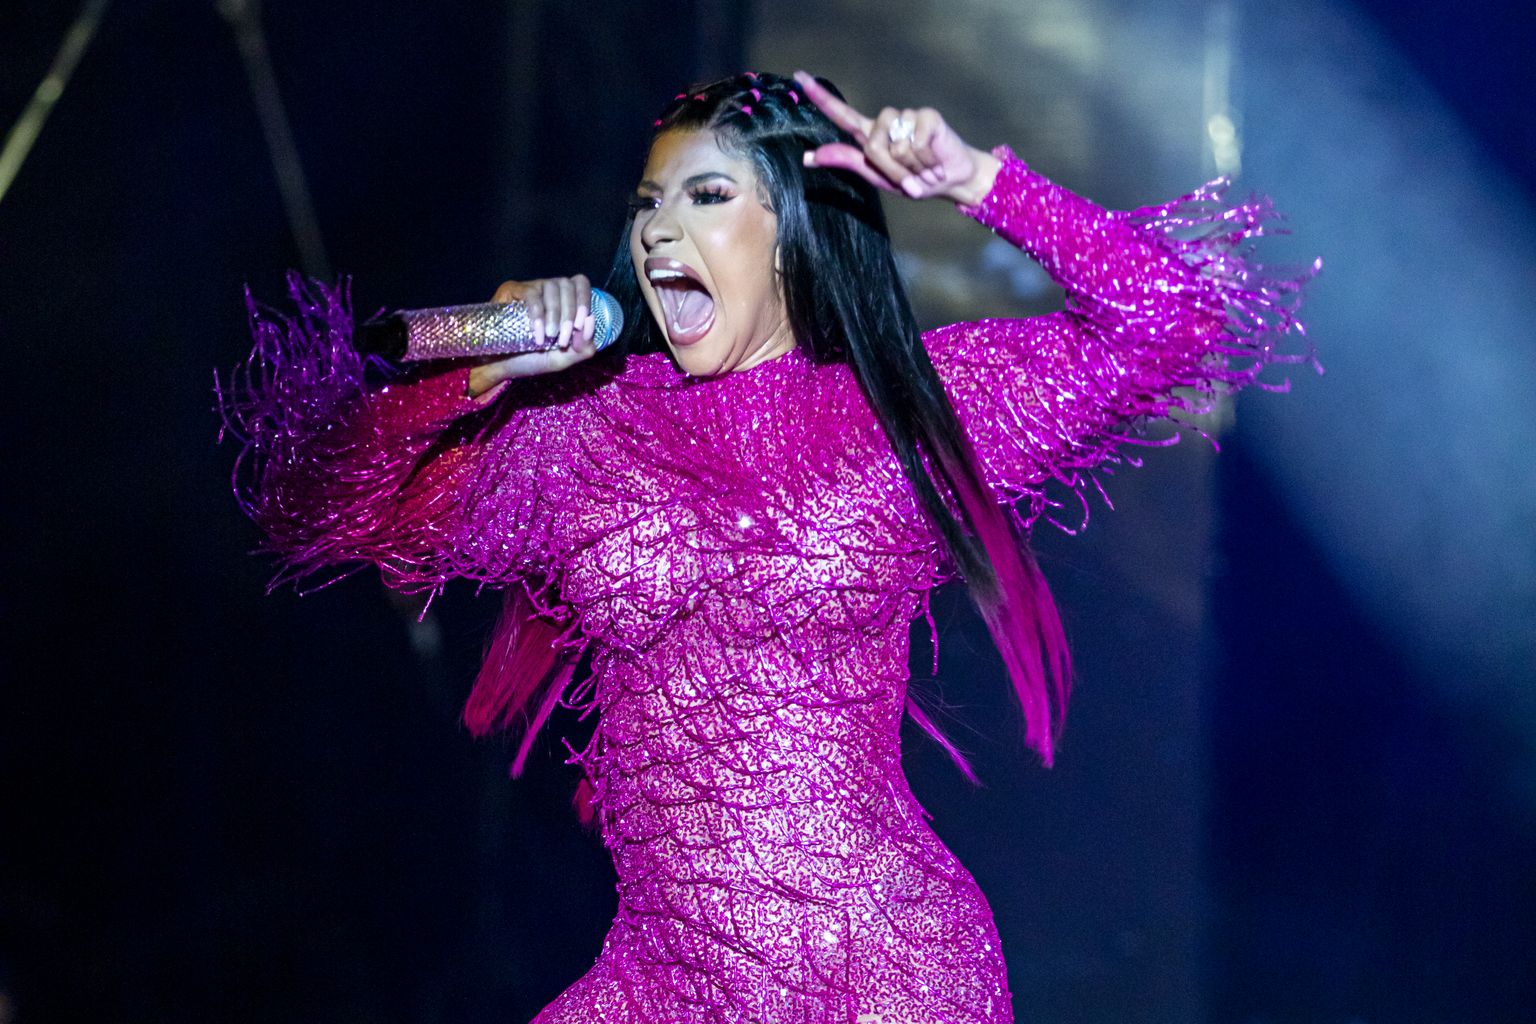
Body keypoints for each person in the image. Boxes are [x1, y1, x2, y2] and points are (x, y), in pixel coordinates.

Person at [220, 69, 1312, 1024]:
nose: (658, 230)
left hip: (884, 975)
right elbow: (312, 505)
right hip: (663, 982)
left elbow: (1176, 323)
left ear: (791, 226)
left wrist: (981, 183)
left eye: (706, 196)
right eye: (647, 204)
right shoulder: (577, 430)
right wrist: (474, 375)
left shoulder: (900, 416)